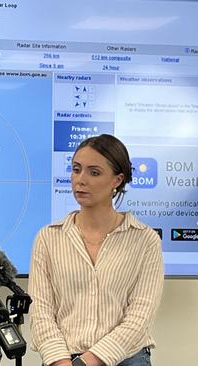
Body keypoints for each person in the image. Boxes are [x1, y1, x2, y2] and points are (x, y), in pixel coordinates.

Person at [29, 134, 163, 366]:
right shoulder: (48, 237)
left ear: (117, 180)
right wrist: (63, 363)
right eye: (76, 169)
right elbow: (41, 312)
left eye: (94, 172)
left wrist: (87, 362)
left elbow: (140, 316)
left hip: (127, 358)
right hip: (62, 359)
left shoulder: (145, 240)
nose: (80, 180)